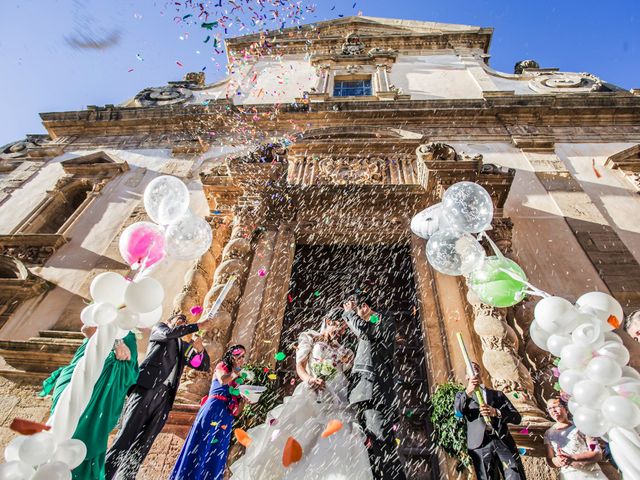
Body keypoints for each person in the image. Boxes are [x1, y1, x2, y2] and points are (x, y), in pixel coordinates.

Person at [229, 308, 373, 480]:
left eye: (343, 329)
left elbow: (347, 374)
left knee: (336, 439)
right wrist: (309, 379)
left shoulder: (343, 351)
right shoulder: (310, 338)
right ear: (328, 321)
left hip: (335, 398)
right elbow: (300, 366)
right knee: (301, 435)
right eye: (339, 327)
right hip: (311, 392)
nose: (341, 332)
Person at [105, 313, 212, 479]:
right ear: (169, 321)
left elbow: (202, 365)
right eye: (180, 319)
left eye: (185, 321)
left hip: (165, 398)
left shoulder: (183, 346)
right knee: (127, 434)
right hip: (147, 388)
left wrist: (200, 349)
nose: (183, 322)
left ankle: (126, 477)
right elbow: (169, 334)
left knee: (144, 443)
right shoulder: (160, 329)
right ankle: (105, 474)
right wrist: (198, 325)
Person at [40, 324, 138, 480]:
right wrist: (117, 343)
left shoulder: (131, 330)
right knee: (67, 426)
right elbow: (86, 328)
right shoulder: (111, 312)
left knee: (92, 438)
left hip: (109, 391)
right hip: (86, 379)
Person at [342, 291, 406, 480]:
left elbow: (364, 330)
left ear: (366, 307)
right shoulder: (371, 328)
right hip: (363, 394)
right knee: (365, 445)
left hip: (376, 393)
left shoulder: (381, 320)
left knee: (381, 443)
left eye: (359, 306)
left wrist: (349, 314)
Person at [170, 343, 248, 480]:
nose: (241, 359)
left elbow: (237, 411)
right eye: (238, 355)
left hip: (226, 416)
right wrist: (236, 371)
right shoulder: (222, 367)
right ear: (231, 356)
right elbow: (223, 380)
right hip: (214, 408)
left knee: (218, 449)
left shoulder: (239, 380)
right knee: (202, 443)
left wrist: (244, 401)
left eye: (243, 356)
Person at [454, 362, 526, 480]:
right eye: (470, 367)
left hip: (502, 440)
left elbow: (516, 418)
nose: (474, 367)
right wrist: (468, 392)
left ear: (481, 371)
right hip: (480, 445)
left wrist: (496, 412)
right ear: (467, 376)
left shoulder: (497, 395)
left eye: (476, 366)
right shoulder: (461, 396)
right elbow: (458, 412)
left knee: (515, 474)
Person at [544, 397, 607, 479]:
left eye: (556, 406)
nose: (553, 410)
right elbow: (550, 460)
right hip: (569, 476)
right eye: (550, 408)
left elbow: (597, 453)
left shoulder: (581, 425)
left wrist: (572, 458)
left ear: (566, 408)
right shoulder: (548, 434)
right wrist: (559, 461)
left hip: (592, 475)